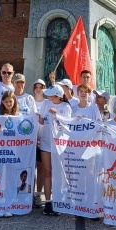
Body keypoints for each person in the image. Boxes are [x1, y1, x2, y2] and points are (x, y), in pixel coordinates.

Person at [39, 84, 72, 216]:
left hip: (60, 144)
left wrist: (56, 115)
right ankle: (48, 202)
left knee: (58, 173)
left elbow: (67, 125)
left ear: (57, 96)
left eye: (50, 94)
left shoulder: (66, 107)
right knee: (47, 171)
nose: (48, 96)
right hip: (46, 142)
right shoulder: (46, 103)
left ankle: (59, 200)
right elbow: (41, 120)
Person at [31, 79, 47, 208]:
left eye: (40, 87)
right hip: (31, 139)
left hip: (43, 139)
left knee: (41, 168)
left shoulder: (47, 103)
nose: (38, 89)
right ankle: (30, 193)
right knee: (32, 168)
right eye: (36, 87)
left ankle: (38, 193)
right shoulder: (30, 101)